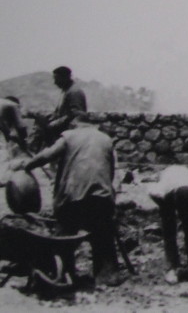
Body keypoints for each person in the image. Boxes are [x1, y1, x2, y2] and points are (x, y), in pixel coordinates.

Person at [22, 119, 122, 286]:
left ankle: (64, 271)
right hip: (102, 196)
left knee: (65, 233)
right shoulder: (105, 139)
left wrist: (27, 165)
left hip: (73, 196)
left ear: (73, 126)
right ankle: (107, 276)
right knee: (103, 236)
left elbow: (47, 155)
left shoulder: (69, 136)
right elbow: (111, 173)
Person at [46, 66, 88, 141]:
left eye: (57, 79)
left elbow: (76, 114)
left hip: (71, 132)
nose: (55, 82)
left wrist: (56, 123)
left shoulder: (74, 92)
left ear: (65, 78)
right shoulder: (66, 90)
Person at [0, 97, 28, 184]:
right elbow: (21, 126)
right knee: (4, 152)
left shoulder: (3, 104)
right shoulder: (13, 105)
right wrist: (23, 141)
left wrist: (9, 135)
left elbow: (3, 126)